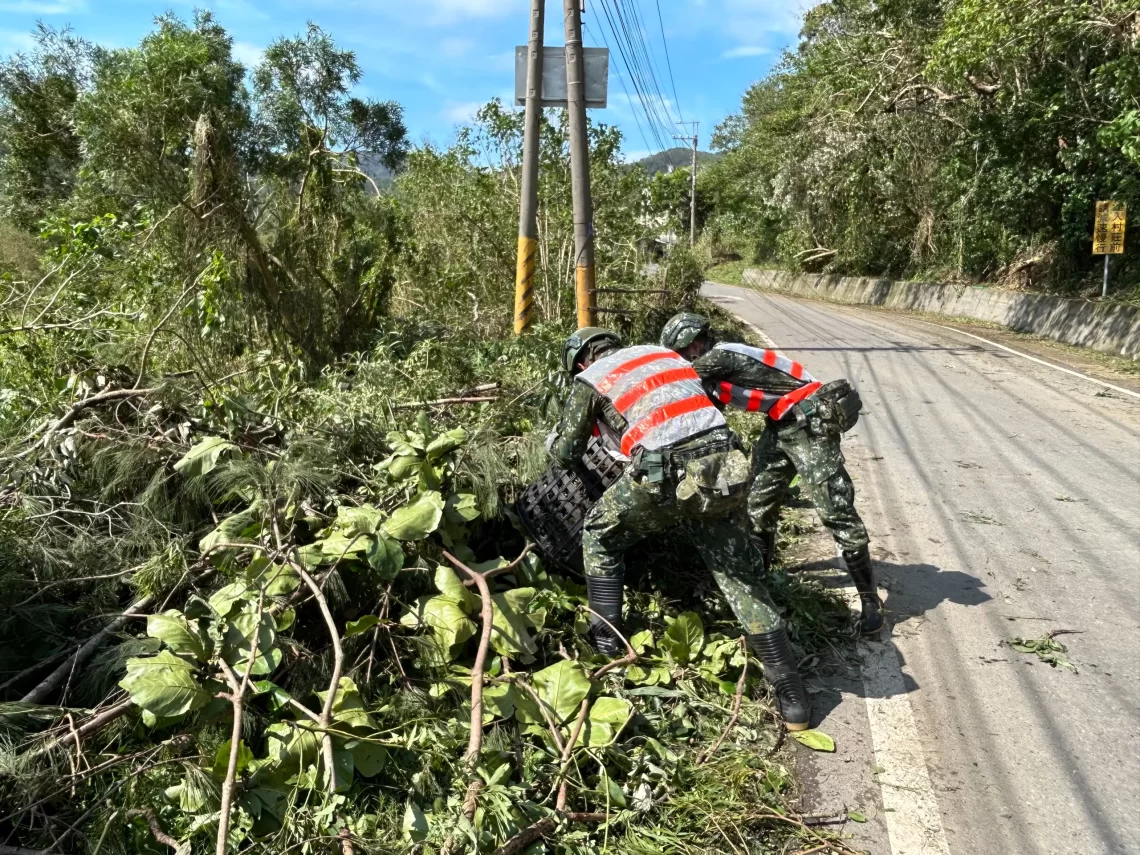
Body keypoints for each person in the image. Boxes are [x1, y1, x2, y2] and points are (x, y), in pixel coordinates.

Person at [547, 326, 811, 731]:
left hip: (665, 474)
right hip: (723, 467)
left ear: (581, 362)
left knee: (600, 534)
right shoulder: (663, 355)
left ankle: (606, 644)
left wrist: (552, 442)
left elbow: (567, 454)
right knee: (738, 577)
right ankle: (792, 695)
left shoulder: (592, 378)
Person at [659, 313, 882, 635]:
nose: (685, 358)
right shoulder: (716, 374)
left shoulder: (720, 356)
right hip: (779, 427)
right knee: (757, 504)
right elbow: (704, 411)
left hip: (810, 423)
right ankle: (760, 581)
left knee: (835, 509)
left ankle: (871, 601)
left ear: (693, 344)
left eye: (682, 353)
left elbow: (677, 380)